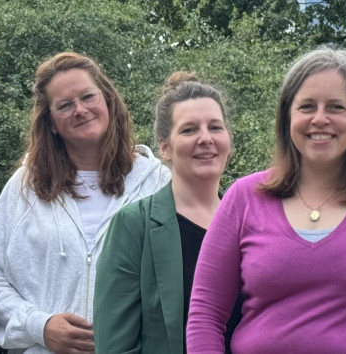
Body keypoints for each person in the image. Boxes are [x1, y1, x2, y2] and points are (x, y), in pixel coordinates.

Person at [187, 47, 346, 353]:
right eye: (307, 106)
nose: (320, 119)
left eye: (336, 107)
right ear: (287, 116)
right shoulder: (244, 198)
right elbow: (205, 315)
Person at [0, 52, 171, 354]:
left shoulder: (157, 183)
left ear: (107, 100)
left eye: (87, 97)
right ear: (51, 122)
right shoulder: (26, 187)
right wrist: (39, 326)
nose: (80, 110)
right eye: (65, 105)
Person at [93, 72, 243, 354]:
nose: (205, 138)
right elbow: (114, 346)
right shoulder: (133, 226)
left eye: (215, 127)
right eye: (189, 130)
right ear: (165, 147)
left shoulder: (249, 224)